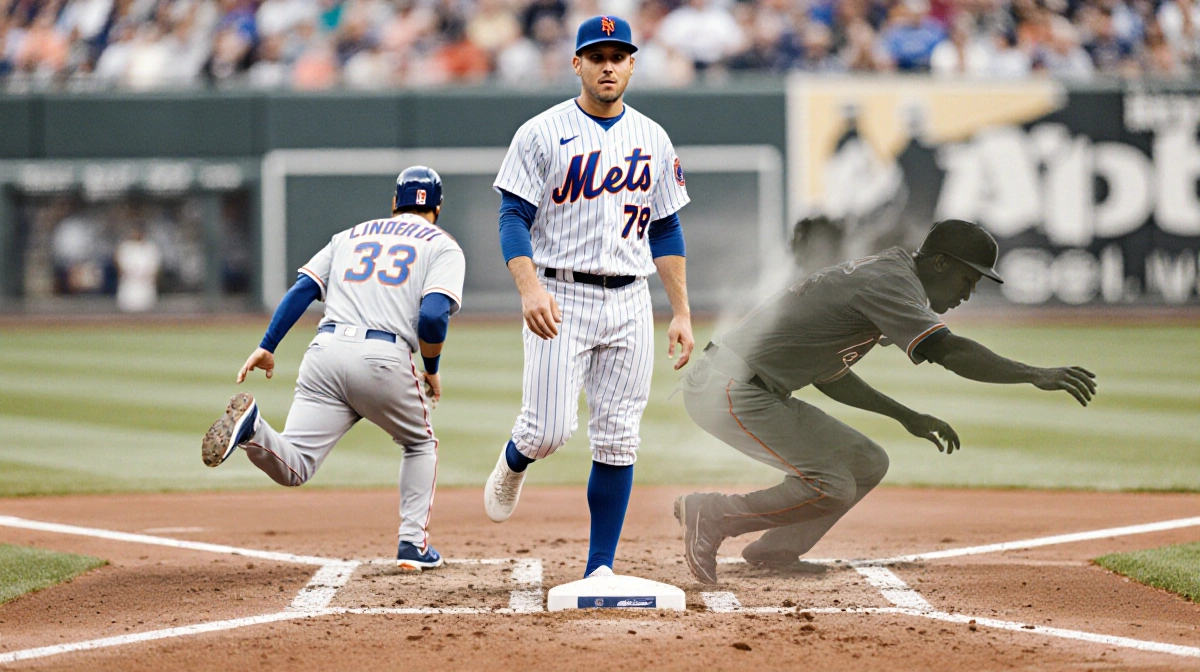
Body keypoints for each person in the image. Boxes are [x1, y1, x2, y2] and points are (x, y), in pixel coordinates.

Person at [675, 219, 1097, 583]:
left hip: (752, 386)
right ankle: (713, 515)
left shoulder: (890, 275)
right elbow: (950, 352)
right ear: (940, 263)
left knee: (866, 461)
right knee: (831, 485)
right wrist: (1033, 374)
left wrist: (905, 416)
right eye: (968, 280)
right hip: (728, 387)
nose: (967, 293)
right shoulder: (890, 283)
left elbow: (831, 374)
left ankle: (775, 550)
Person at [486, 15, 694, 579]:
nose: (608, 65)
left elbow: (667, 229)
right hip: (560, 292)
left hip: (630, 299)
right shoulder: (540, 131)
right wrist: (528, 288)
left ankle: (599, 565)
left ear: (631, 63)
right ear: (576, 63)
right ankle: (514, 460)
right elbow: (512, 217)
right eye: (596, 55)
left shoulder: (652, 137)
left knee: (620, 437)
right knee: (549, 429)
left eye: (618, 55)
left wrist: (679, 311)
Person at [200, 166, 465, 572]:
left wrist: (267, 346)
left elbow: (304, 289)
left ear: (394, 203)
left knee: (297, 465)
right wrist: (431, 367)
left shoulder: (350, 235)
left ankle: (253, 429)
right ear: (439, 207)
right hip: (383, 358)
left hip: (324, 351)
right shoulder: (443, 246)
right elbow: (432, 317)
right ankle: (413, 543)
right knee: (420, 444)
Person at [114, 225, 161, 312]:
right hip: (129, 282)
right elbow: (118, 264)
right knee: (126, 308)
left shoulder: (150, 247)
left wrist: (150, 277)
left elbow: (155, 267)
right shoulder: (125, 247)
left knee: (147, 308)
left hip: (145, 282)